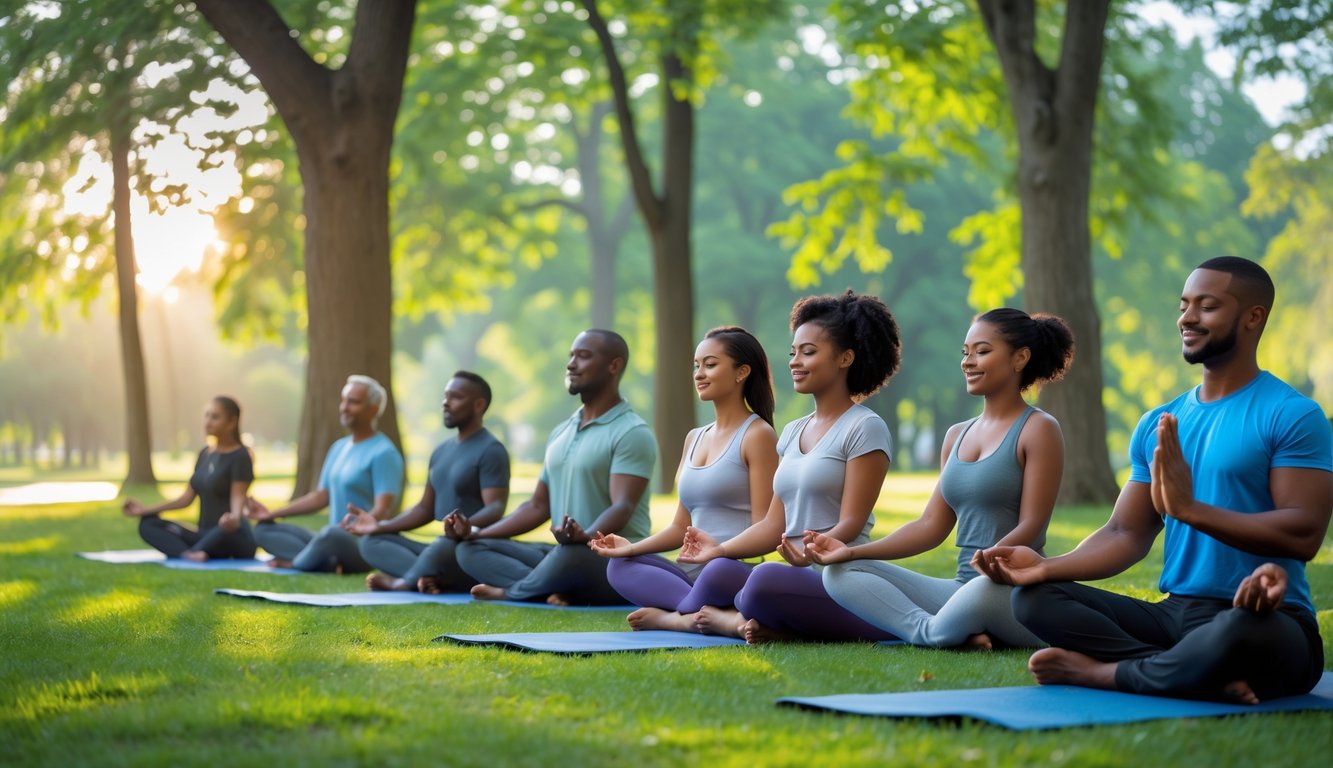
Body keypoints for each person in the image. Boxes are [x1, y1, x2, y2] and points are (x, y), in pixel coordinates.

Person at [976, 256, 1331, 703]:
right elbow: (1124, 532)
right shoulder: (1160, 421)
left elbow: (1303, 533)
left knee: (1234, 631)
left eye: (1207, 306)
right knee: (1034, 599)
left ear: (1253, 317)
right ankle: (1189, 671)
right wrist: (1046, 567)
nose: (1187, 318)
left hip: (1265, 618)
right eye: (1184, 306)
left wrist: (1191, 511)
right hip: (1176, 615)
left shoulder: (1293, 415)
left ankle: (1107, 674)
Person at [811, 309, 1072, 649]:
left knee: (978, 592)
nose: (968, 362)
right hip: (960, 588)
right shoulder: (956, 436)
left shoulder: (1039, 428)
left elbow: (1033, 526)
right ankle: (935, 629)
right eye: (965, 352)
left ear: (1020, 358)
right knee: (840, 573)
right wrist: (851, 552)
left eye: (982, 351)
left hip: (1012, 590)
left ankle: (940, 631)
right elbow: (930, 525)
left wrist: (989, 558)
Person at [676, 290, 902, 643]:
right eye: (793, 352)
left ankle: (682, 619)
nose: (795, 362)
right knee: (723, 570)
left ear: (845, 358)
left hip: (842, 575)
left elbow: (852, 522)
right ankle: (767, 624)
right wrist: (719, 550)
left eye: (808, 352)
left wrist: (811, 552)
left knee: (763, 582)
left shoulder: (865, 427)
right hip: (796, 574)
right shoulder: (793, 431)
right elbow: (772, 525)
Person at [589, 326, 779, 631]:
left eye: (710, 364)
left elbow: (765, 528)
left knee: (716, 570)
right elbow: (680, 527)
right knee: (619, 566)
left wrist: (719, 550)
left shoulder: (758, 435)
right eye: (696, 365)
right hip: (689, 573)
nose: (699, 374)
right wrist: (631, 548)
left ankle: (673, 618)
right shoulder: (694, 438)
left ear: (741, 372)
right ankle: (702, 617)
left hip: (730, 570)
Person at [456, 329, 657, 605]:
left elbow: (622, 507)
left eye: (583, 356)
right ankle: (551, 587)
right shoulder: (562, 431)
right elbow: (537, 506)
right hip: (564, 552)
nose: (571, 364)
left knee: (569, 556)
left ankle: (514, 591)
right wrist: (476, 532)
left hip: (613, 559)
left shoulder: (632, 432)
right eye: (571, 356)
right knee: (470, 548)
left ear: (614, 365)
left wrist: (586, 537)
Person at [343, 372, 510, 592]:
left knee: (443, 545)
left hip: (470, 546)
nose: (446, 403)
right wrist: (379, 525)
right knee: (371, 541)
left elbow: (495, 507)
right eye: (445, 396)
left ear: (479, 405)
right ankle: (435, 577)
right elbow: (424, 509)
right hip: (439, 546)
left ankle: (406, 582)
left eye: (456, 397)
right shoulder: (441, 451)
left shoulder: (491, 450)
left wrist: (465, 527)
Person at [246, 375, 404, 573]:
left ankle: (299, 563)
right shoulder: (339, 447)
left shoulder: (384, 453)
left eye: (353, 402)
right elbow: (321, 497)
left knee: (332, 534)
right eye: (343, 400)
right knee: (263, 529)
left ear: (374, 408)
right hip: (331, 539)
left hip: (362, 546)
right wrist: (273, 513)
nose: (344, 407)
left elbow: (384, 509)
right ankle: (324, 562)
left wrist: (360, 526)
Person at [122, 396, 257, 562]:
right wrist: (146, 510)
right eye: (207, 415)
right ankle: (189, 553)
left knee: (222, 530)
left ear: (232, 422)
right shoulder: (204, 454)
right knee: (148, 524)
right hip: (204, 534)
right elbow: (185, 499)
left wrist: (234, 518)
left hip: (231, 534)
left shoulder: (240, 456)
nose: (208, 422)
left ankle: (193, 551)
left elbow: (238, 497)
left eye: (215, 417)